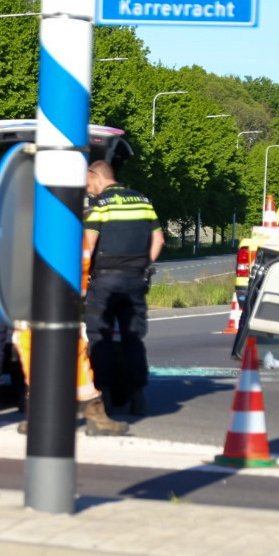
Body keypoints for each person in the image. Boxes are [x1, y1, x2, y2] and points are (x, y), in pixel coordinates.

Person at [83, 160, 164, 417]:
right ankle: (137, 396)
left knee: (100, 337)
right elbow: (159, 240)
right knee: (133, 338)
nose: (87, 188)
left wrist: (81, 277)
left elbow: (88, 244)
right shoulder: (143, 201)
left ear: (95, 176)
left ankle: (106, 395)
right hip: (135, 280)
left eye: (87, 182)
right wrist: (143, 265)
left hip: (104, 281)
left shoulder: (100, 206)